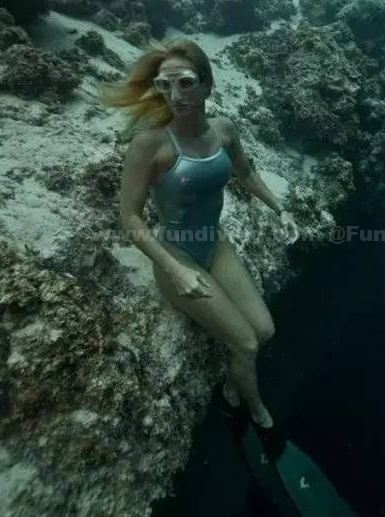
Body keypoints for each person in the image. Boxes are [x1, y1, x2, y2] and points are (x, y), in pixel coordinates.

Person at [99, 38, 299, 428]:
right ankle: (252, 406)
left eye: (186, 82)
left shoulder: (224, 130)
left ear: (208, 84)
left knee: (265, 331)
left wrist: (281, 209)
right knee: (246, 343)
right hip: (178, 255)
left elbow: (245, 172)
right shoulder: (149, 145)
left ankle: (233, 382)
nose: (176, 95)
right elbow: (130, 218)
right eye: (164, 85)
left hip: (216, 244)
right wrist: (175, 270)